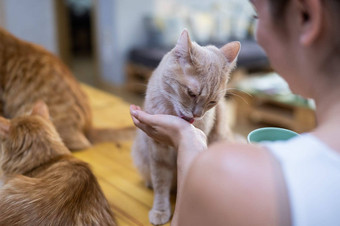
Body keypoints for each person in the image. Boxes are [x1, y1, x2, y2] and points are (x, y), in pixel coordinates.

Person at [130, 0, 340, 225]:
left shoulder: (232, 175)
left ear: (305, 16)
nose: (257, 35)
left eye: (257, 16)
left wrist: (188, 145)